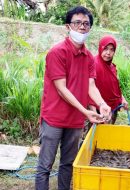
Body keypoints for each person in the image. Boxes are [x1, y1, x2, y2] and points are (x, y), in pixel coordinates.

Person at [35, 6, 111, 190]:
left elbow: (90, 86)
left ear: (90, 28)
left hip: (75, 121)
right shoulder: (57, 52)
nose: (82, 27)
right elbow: (62, 89)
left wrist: (102, 104)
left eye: (86, 24)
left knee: (68, 164)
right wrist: (85, 111)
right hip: (54, 118)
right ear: (68, 26)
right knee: (45, 166)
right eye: (77, 23)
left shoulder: (89, 58)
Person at [89, 35, 128, 124]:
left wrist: (123, 99)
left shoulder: (112, 67)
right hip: (98, 109)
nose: (108, 53)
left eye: (112, 49)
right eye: (105, 49)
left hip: (112, 108)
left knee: (108, 133)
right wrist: (94, 113)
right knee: (96, 135)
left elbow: (115, 87)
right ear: (100, 48)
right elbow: (89, 89)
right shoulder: (93, 65)